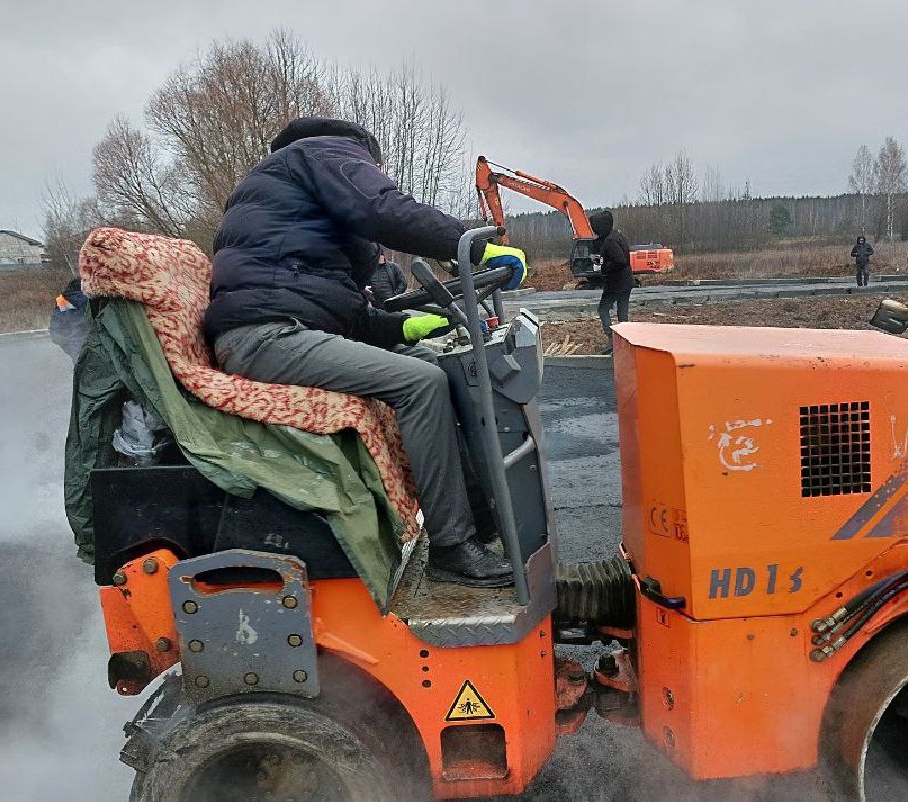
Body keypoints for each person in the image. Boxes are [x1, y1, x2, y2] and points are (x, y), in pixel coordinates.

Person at [204, 117, 528, 588]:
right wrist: (472, 247)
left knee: (427, 363)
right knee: (421, 384)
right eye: (373, 166)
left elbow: (342, 313)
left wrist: (409, 325)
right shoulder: (317, 153)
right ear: (362, 154)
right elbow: (381, 207)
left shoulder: (290, 202)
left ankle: (479, 514)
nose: (373, 172)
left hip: (279, 329)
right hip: (264, 337)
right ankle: (453, 546)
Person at [588, 209, 633, 353]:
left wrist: (603, 267)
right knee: (622, 312)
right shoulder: (617, 236)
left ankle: (611, 338)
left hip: (616, 283)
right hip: (626, 281)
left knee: (603, 309)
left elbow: (620, 261)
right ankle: (625, 340)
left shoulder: (610, 241)